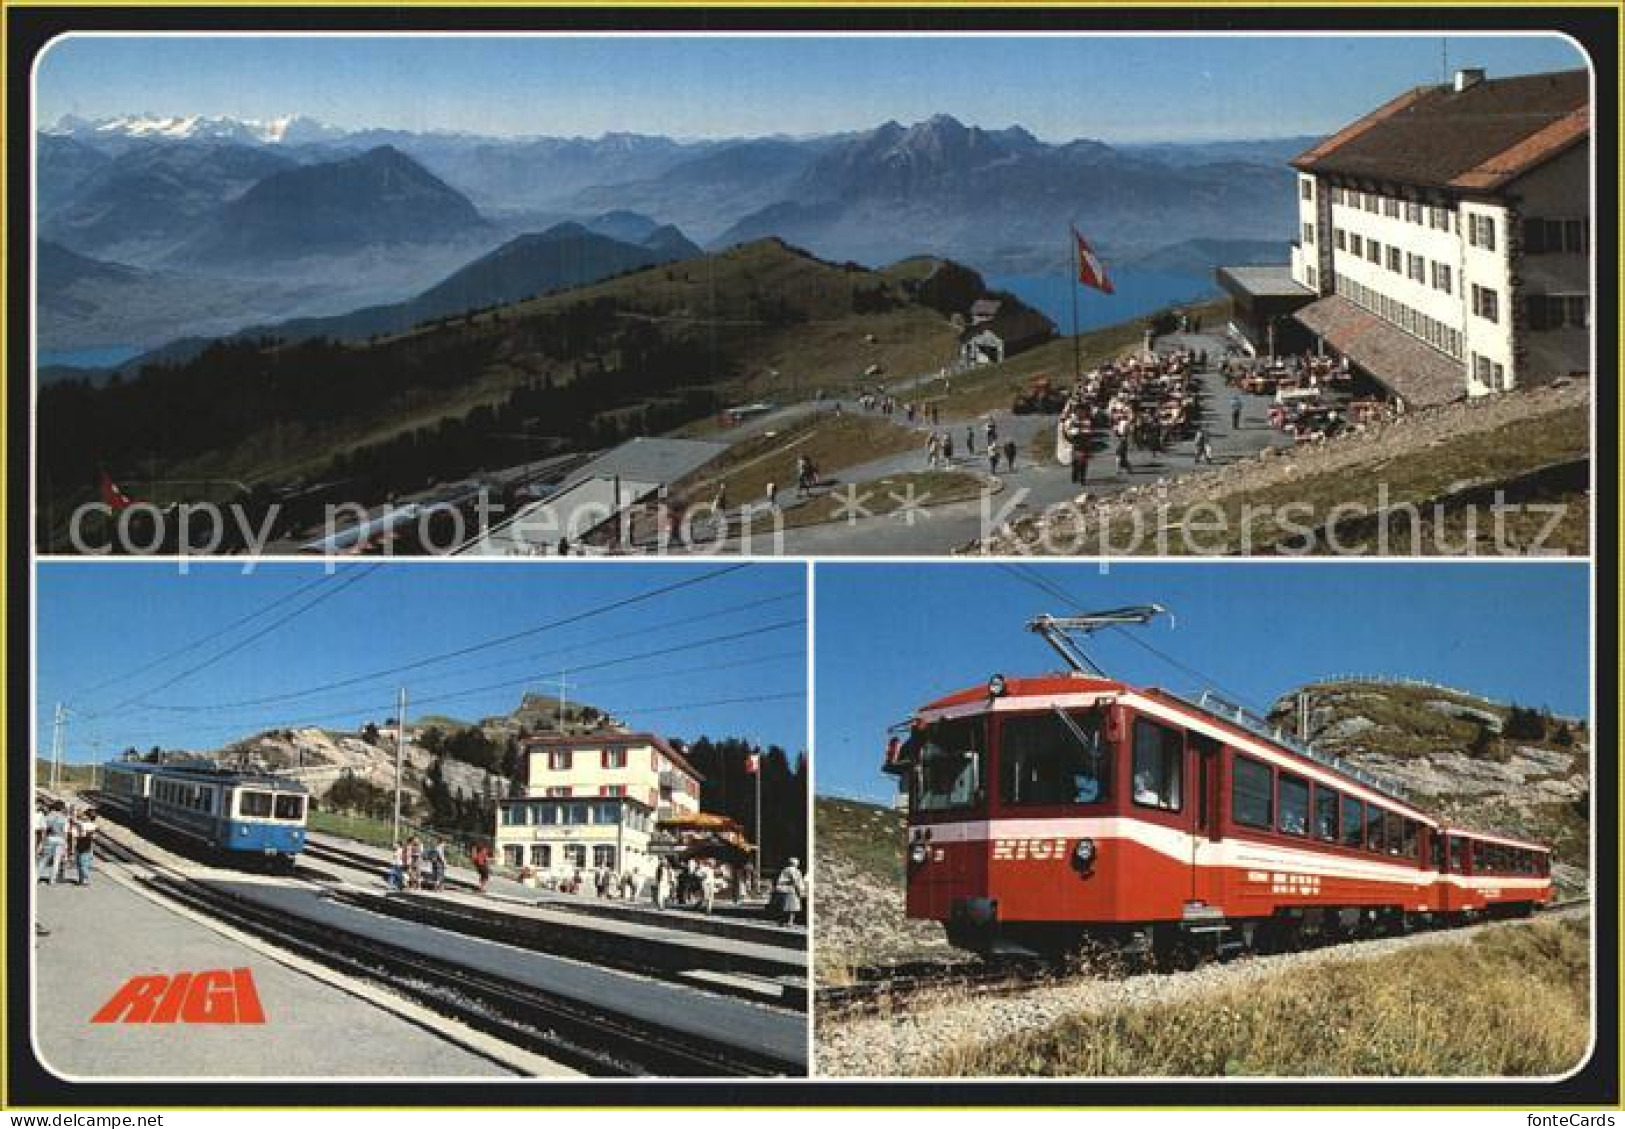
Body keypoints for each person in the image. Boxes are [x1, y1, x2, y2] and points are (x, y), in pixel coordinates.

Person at [37, 805, 68, 885]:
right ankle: (52, 880)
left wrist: (41, 843)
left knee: (43, 859)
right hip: (60, 840)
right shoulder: (64, 818)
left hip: (50, 839)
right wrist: (65, 844)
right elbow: (65, 832)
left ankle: (36, 877)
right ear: (61, 809)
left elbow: (43, 830)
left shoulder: (47, 817)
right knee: (56, 860)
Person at [771, 858, 806, 927]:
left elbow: (780, 880)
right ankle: (790, 922)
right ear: (796, 864)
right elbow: (796, 881)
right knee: (792, 907)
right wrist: (800, 891)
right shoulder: (795, 871)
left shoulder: (785, 870)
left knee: (783, 906)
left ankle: (781, 921)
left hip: (783, 890)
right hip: (792, 890)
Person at [71, 807, 98, 887]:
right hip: (85, 845)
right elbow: (94, 837)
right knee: (81, 863)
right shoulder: (92, 826)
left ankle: (84, 880)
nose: (83, 816)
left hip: (83, 846)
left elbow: (78, 834)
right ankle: (82, 880)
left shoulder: (85, 825)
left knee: (82, 864)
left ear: (87, 816)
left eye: (84, 814)